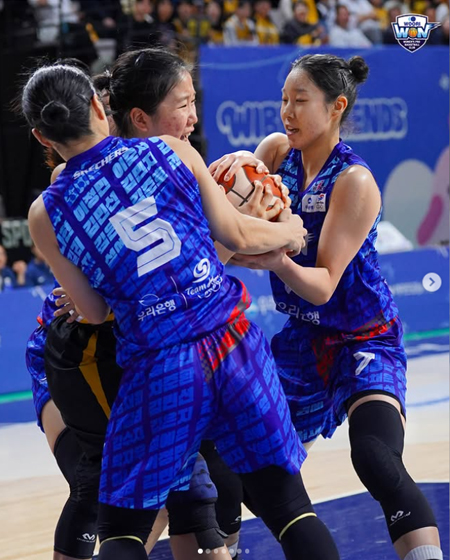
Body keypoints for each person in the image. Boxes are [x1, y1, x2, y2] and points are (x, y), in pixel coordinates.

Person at [22, 62, 341, 560]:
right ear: (100, 107)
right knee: (287, 505)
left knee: (123, 526)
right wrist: (290, 231)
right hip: (231, 342)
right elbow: (237, 235)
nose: (191, 115)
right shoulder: (169, 151)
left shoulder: (46, 211)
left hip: (159, 363)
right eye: (185, 103)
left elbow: (94, 309)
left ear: (41, 136)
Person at [210, 53, 443, 560]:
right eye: (283, 100)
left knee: (376, 459)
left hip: (363, 337)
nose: (286, 112)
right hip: (301, 341)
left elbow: (322, 286)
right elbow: (232, 246)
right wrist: (225, 198)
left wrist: (275, 256)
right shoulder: (275, 152)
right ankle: (223, 548)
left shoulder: (354, 180)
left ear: (336, 107)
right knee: (235, 466)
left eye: (300, 101)